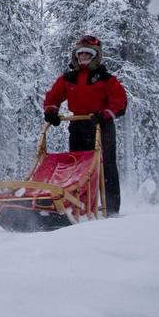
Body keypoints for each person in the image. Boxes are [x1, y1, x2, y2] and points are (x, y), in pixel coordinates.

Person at [42, 35, 128, 215]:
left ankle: (111, 209)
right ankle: (79, 207)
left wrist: (105, 114)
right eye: (80, 54)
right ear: (75, 56)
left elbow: (119, 101)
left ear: (95, 56)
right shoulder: (68, 78)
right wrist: (51, 111)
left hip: (101, 126)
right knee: (77, 166)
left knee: (106, 166)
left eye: (87, 55)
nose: (83, 58)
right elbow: (54, 96)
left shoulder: (105, 78)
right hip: (78, 124)